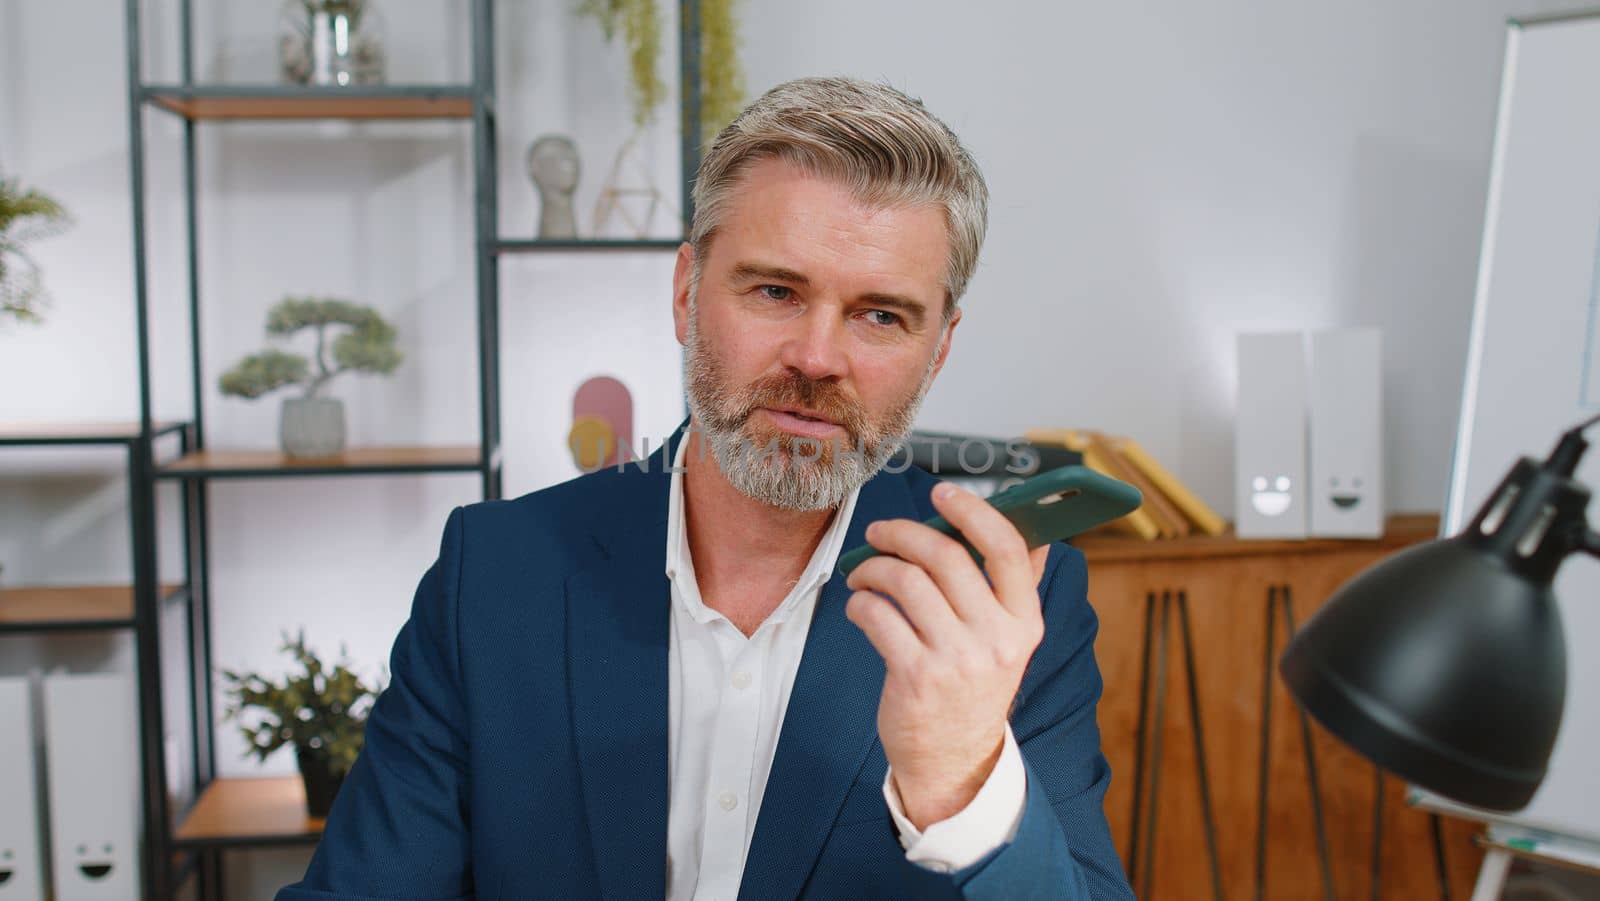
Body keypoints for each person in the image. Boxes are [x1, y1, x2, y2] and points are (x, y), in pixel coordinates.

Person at [276, 76, 1132, 900]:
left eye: (881, 315)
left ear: (938, 349)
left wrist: (963, 786)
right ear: (687, 294)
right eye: (774, 290)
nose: (818, 357)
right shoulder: (493, 576)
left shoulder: (1010, 605)